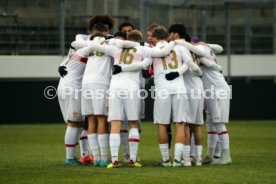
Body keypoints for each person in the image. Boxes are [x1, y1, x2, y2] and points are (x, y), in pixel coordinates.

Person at [83, 30, 176, 168]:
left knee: (115, 123)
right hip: (131, 88)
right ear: (139, 40)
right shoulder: (143, 49)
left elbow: (93, 47)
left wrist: (103, 41)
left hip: (114, 88)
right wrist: (173, 42)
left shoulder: (115, 49)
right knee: (133, 123)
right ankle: (132, 159)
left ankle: (114, 160)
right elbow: (157, 57)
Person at [150, 26, 202, 167]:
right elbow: (190, 64)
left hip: (162, 90)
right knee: (180, 123)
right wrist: (186, 72)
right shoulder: (180, 47)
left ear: (154, 38)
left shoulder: (152, 50)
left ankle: (166, 160)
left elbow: (146, 69)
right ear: (167, 36)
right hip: (179, 88)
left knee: (162, 124)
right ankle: (178, 160)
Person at [192, 37, 232, 165]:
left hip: (217, 90)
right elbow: (219, 48)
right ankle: (211, 155)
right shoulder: (207, 50)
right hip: (211, 90)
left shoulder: (200, 53)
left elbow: (210, 63)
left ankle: (226, 156)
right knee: (211, 123)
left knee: (218, 123)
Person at [168, 23, 204, 166]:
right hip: (199, 88)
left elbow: (188, 65)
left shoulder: (181, 48)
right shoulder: (196, 49)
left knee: (185, 124)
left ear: (176, 35)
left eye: (171, 34)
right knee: (198, 125)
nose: (170, 37)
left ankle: (187, 159)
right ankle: (198, 158)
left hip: (188, 89)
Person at [80, 23, 111, 167]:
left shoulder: (88, 43)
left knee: (91, 120)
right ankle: (104, 158)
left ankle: (96, 158)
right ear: (106, 31)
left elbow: (77, 47)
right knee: (102, 119)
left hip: (85, 83)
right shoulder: (110, 42)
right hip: (100, 83)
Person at [57, 41, 91, 166]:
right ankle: (69, 158)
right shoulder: (87, 51)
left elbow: (63, 65)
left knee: (79, 122)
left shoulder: (73, 53)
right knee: (74, 123)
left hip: (64, 87)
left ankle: (78, 155)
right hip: (73, 89)